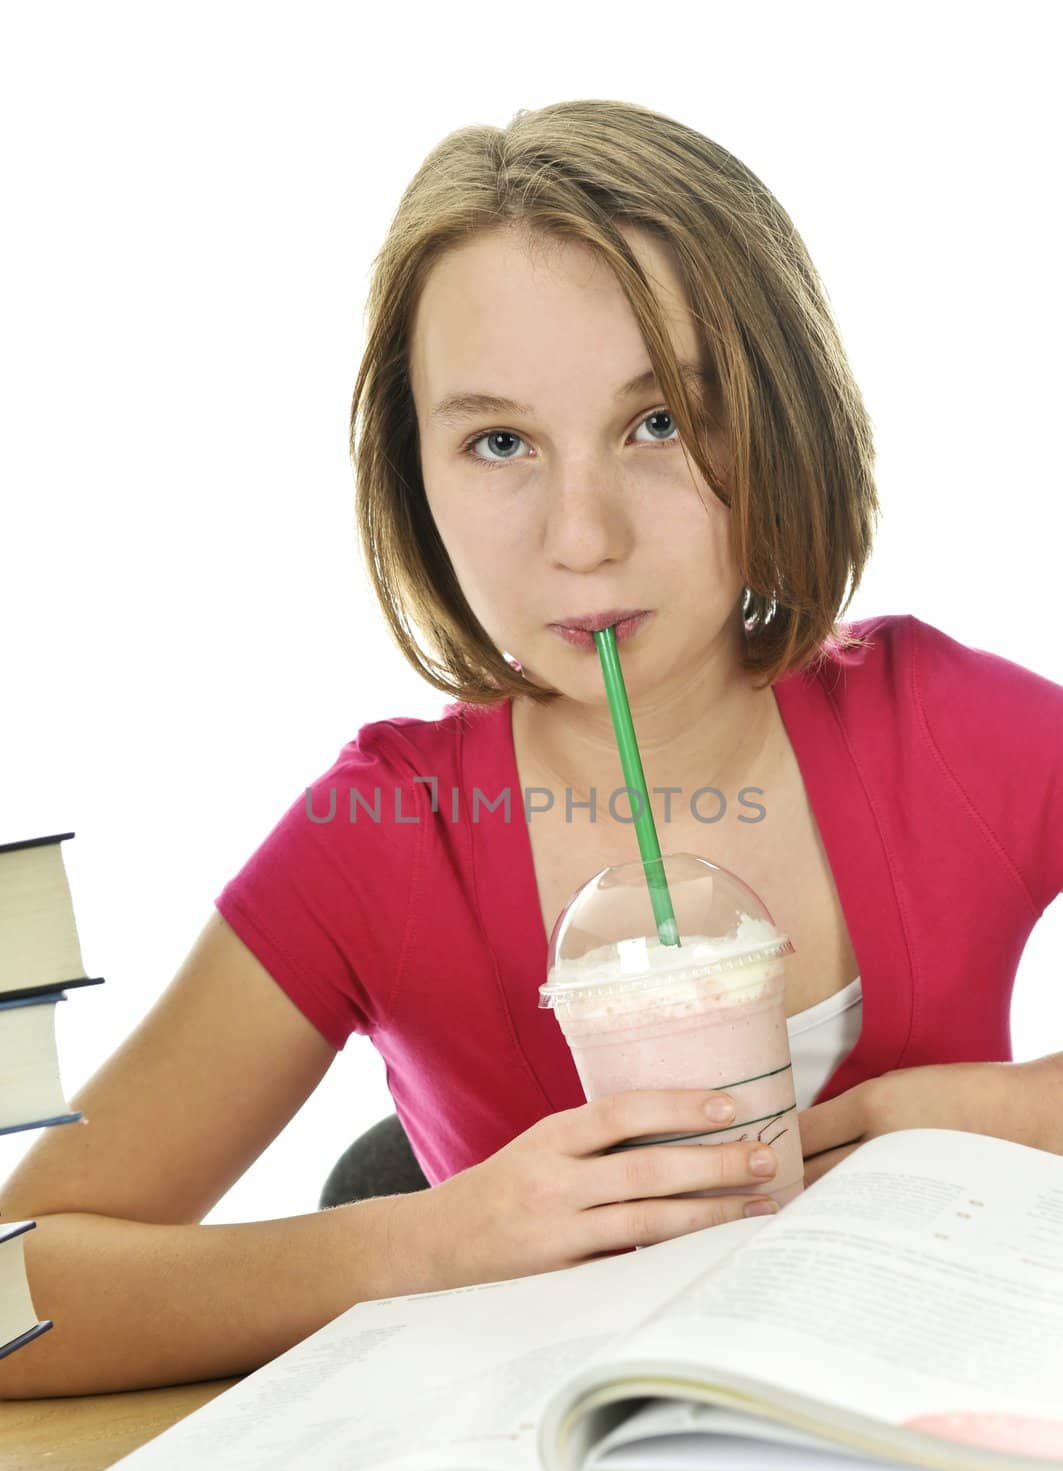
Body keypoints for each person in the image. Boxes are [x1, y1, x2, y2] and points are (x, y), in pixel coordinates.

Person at [3, 99, 1061, 1401]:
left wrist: (976, 1121)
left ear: (785, 419)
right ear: (416, 474)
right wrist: (448, 1237)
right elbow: (14, 1290)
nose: (582, 535)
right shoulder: (383, 841)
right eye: (499, 442)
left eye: (659, 421)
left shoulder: (951, 734)